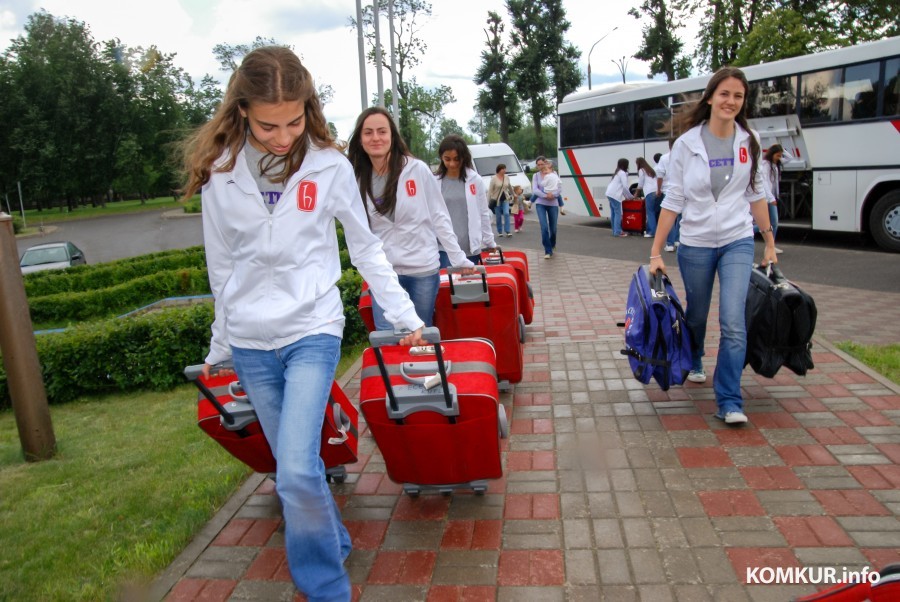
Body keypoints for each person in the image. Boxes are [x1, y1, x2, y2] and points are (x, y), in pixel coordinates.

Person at [181, 47, 425, 602]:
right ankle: (333, 541)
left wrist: (407, 317)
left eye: (295, 120)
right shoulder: (220, 174)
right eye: (269, 123)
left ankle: (326, 590)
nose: (284, 134)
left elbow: (365, 248)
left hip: (312, 329)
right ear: (242, 109)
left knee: (291, 470)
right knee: (298, 464)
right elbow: (221, 265)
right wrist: (221, 343)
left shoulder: (329, 165)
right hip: (249, 341)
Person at [649, 65, 777, 426]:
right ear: (710, 97)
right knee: (697, 315)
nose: (731, 101)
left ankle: (730, 401)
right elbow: (672, 199)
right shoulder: (687, 145)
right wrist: (656, 252)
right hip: (697, 242)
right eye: (725, 94)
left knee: (734, 321)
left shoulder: (748, 142)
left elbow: (757, 195)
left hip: (737, 238)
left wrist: (769, 242)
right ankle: (697, 356)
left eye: (738, 96)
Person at [347, 107, 474, 329]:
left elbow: (439, 217)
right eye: (368, 132)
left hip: (422, 269)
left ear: (392, 136)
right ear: (360, 138)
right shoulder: (355, 177)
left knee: (419, 337)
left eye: (382, 131)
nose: (375, 137)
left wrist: (458, 258)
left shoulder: (416, 170)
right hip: (384, 272)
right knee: (386, 337)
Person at [435, 134, 496, 266]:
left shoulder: (475, 180)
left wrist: (489, 241)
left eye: (457, 159)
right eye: (447, 159)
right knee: (448, 284)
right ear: (441, 157)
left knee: (470, 285)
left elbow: (483, 212)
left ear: (464, 157)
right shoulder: (434, 181)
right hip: (443, 247)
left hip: (470, 248)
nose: (452, 164)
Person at [533, 159, 562, 259]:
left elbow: (559, 188)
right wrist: (545, 195)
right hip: (540, 203)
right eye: (539, 164)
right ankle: (547, 250)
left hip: (553, 203)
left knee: (553, 229)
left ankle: (552, 243)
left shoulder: (554, 174)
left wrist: (553, 195)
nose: (541, 166)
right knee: (544, 227)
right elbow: (535, 190)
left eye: (542, 164)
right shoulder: (536, 176)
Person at [655, 140, 681, 251]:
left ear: (669, 145)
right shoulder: (684, 156)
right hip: (683, 191)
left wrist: (658, 189)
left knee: (670, 217)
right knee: (681, 218)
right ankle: (678, 240)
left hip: (669, 190)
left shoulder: (665, 158)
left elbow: (660, 175)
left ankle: (669, 244)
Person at [761, 144, 785, 254]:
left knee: (772, 223)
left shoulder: (775, 164)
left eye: (780, 156)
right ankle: (746, 231)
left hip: (771, 196)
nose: (779, 157)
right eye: (777, 155)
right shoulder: (766, 164)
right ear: (772, 154)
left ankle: (770, 245)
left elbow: (790, 158)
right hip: (767, 197)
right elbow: (764, 182)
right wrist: (771, 198)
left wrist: (780, 149)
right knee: (773, 222)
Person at [606, 158, 633, 238]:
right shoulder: (622, 173)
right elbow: (625, 187)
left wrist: (627, 196)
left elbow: (622, 188)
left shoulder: (617, 172)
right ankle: (617, 231)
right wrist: (630, 197)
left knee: (613, 213)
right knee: (618, 213)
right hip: (615, 195)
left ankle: (615, 230)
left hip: (609, 193)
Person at [488, 163, 514, 237]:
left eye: (505, 169)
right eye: (503, 169)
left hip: (505, 198)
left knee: (506, 213)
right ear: (499, 170)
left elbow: (509, 186)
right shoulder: (494, 178)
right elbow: (490, 190)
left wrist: (514, 194)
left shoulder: (506, 177)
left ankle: (508, 230)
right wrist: (488, 201)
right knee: (498, 216)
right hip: (496, 200)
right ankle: (499, 231)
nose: (504, 170)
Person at [635, 157, 657, 238]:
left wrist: (635, 195)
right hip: (656, 192)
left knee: (650, 212)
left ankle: (651, 232)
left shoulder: (642, 170)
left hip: (649, 192)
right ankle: (655, 230)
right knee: (654, 212)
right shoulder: (650, 170)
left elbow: (640, 184)